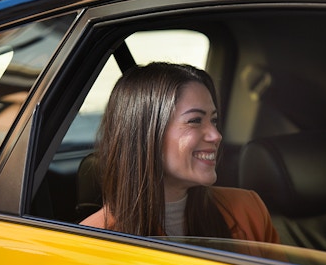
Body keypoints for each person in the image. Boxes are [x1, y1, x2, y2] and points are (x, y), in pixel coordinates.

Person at [81, 62, 278, 243]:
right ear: (147, 134)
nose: (216, 135)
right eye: (195, 121)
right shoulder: (94, 241)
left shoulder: (249, 210)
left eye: (214, 120)